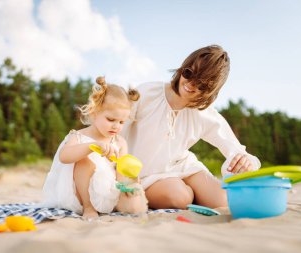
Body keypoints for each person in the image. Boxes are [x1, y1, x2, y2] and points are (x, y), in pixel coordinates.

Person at [121, 45, 261, 209]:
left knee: (222, 201)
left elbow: (237, 151)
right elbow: (113, 133)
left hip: (183, 168)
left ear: (211, 91)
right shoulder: (146, 93)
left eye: (202, 84)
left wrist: (246, 163)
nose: (191, 84)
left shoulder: (205, 114)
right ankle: (187, 193)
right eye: (189, 73)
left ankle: (188, 190)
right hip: (143, 174)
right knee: (179, 197)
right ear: (182, 69)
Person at [42, 76, 148, 220]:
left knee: (135, 203)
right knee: (84, 161)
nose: (116, 126)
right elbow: (64, 156)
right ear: (94, 113)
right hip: (78, 195)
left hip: (107, 191)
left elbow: (120, 173)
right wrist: (91, 147)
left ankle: (113, 205)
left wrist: (129, 181)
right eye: (111, 120)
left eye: (122, 122)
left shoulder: (120, 142)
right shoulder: (78, 136)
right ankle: (89, 207)